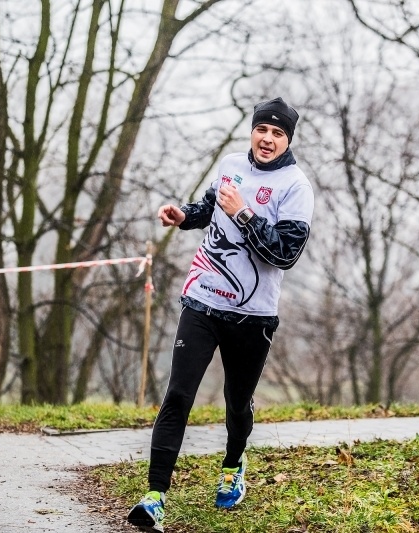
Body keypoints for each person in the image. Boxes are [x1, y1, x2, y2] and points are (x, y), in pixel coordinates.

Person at [128, 97, 314, 532]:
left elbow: (285, 254)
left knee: (236, 403)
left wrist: (243, 214)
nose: (267, 138)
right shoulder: (231, 164)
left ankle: (233, 465)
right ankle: (154, 497)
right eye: (262, 129)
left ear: (287, 140)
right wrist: (184, 215)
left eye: (278, 133)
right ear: (252, 131)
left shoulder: (295, 186)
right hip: (203, 300)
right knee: (178, 395)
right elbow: (210, 207)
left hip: (253, 315)